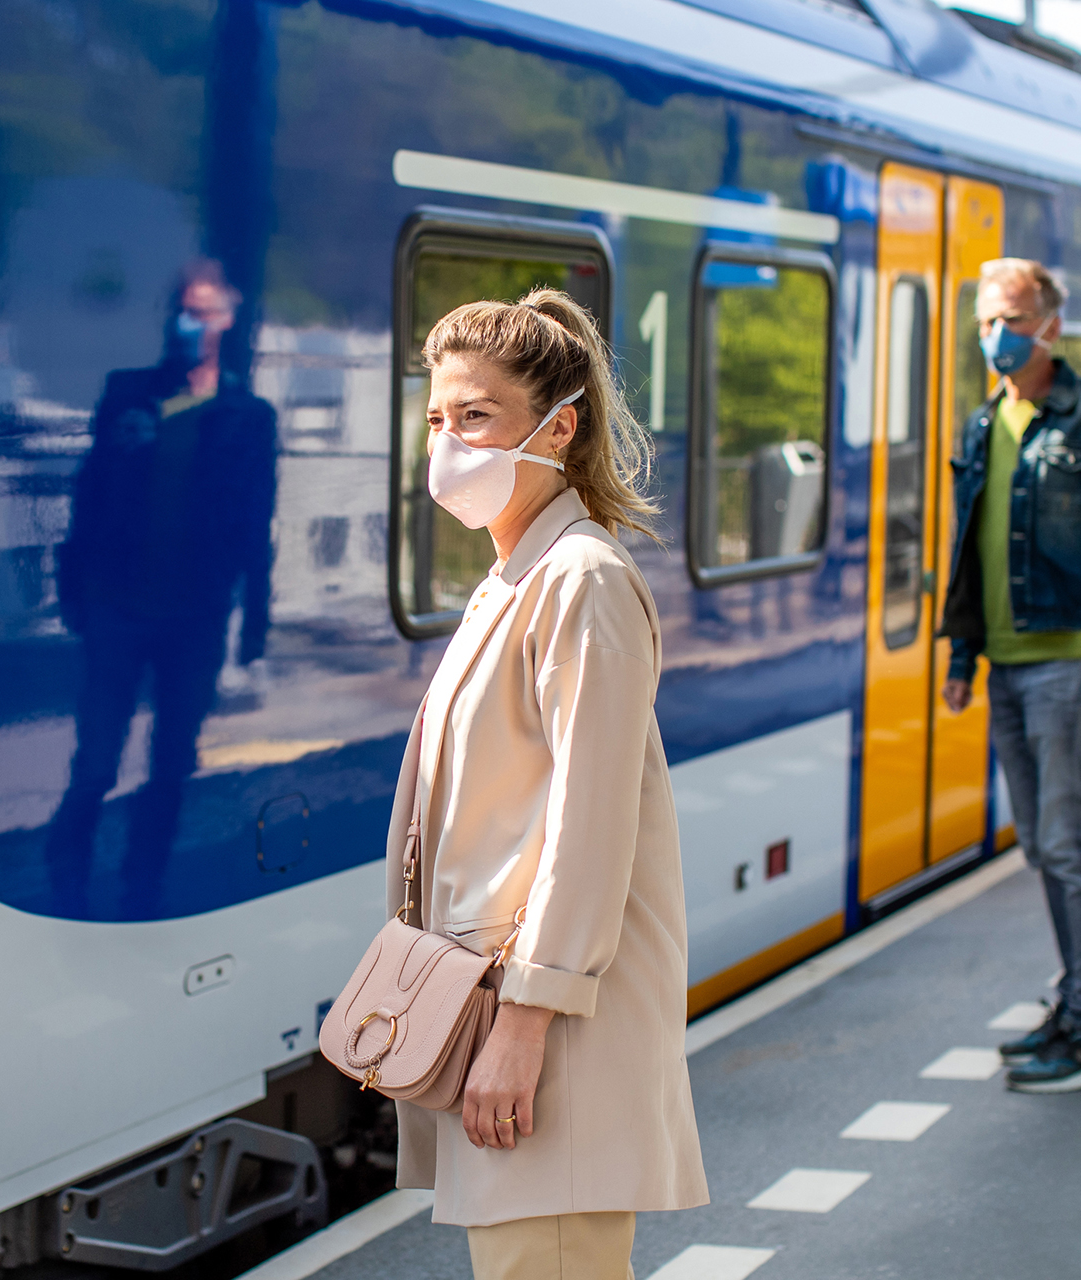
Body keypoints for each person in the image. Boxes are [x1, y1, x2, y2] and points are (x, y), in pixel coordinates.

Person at [385, 287, 707, 1279]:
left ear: (557, 428)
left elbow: (587, 825)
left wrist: (522, 1027)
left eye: (476, 415)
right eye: (439, 417)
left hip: (548, 1025)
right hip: (506, 1005)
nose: (448, 441)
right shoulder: (518, 575)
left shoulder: (579, 579)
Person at [939, 258, 1081, 1094]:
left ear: (1050, 326)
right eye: (984, 320)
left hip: (1074, 662)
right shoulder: (982, 426)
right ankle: (1077, 1009)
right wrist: (964, 657)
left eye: (1010, 317)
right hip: (1008, 666)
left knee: (1075, 847)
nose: (995, 335)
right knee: (1044, 845)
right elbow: (970, 551)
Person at [48, 260, 277, 919]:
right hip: (116, 608)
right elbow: (88, 495)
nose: (192, 322)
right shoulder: (126, 395)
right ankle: (66, 878)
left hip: (196, 617)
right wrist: (76, 592)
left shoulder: (248, 417)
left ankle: (141, 887)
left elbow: (256, 520)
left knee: (172, 765)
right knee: (95, 763)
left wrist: (255, 620)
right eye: (183, 308)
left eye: (206, 310)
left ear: (227, 320)